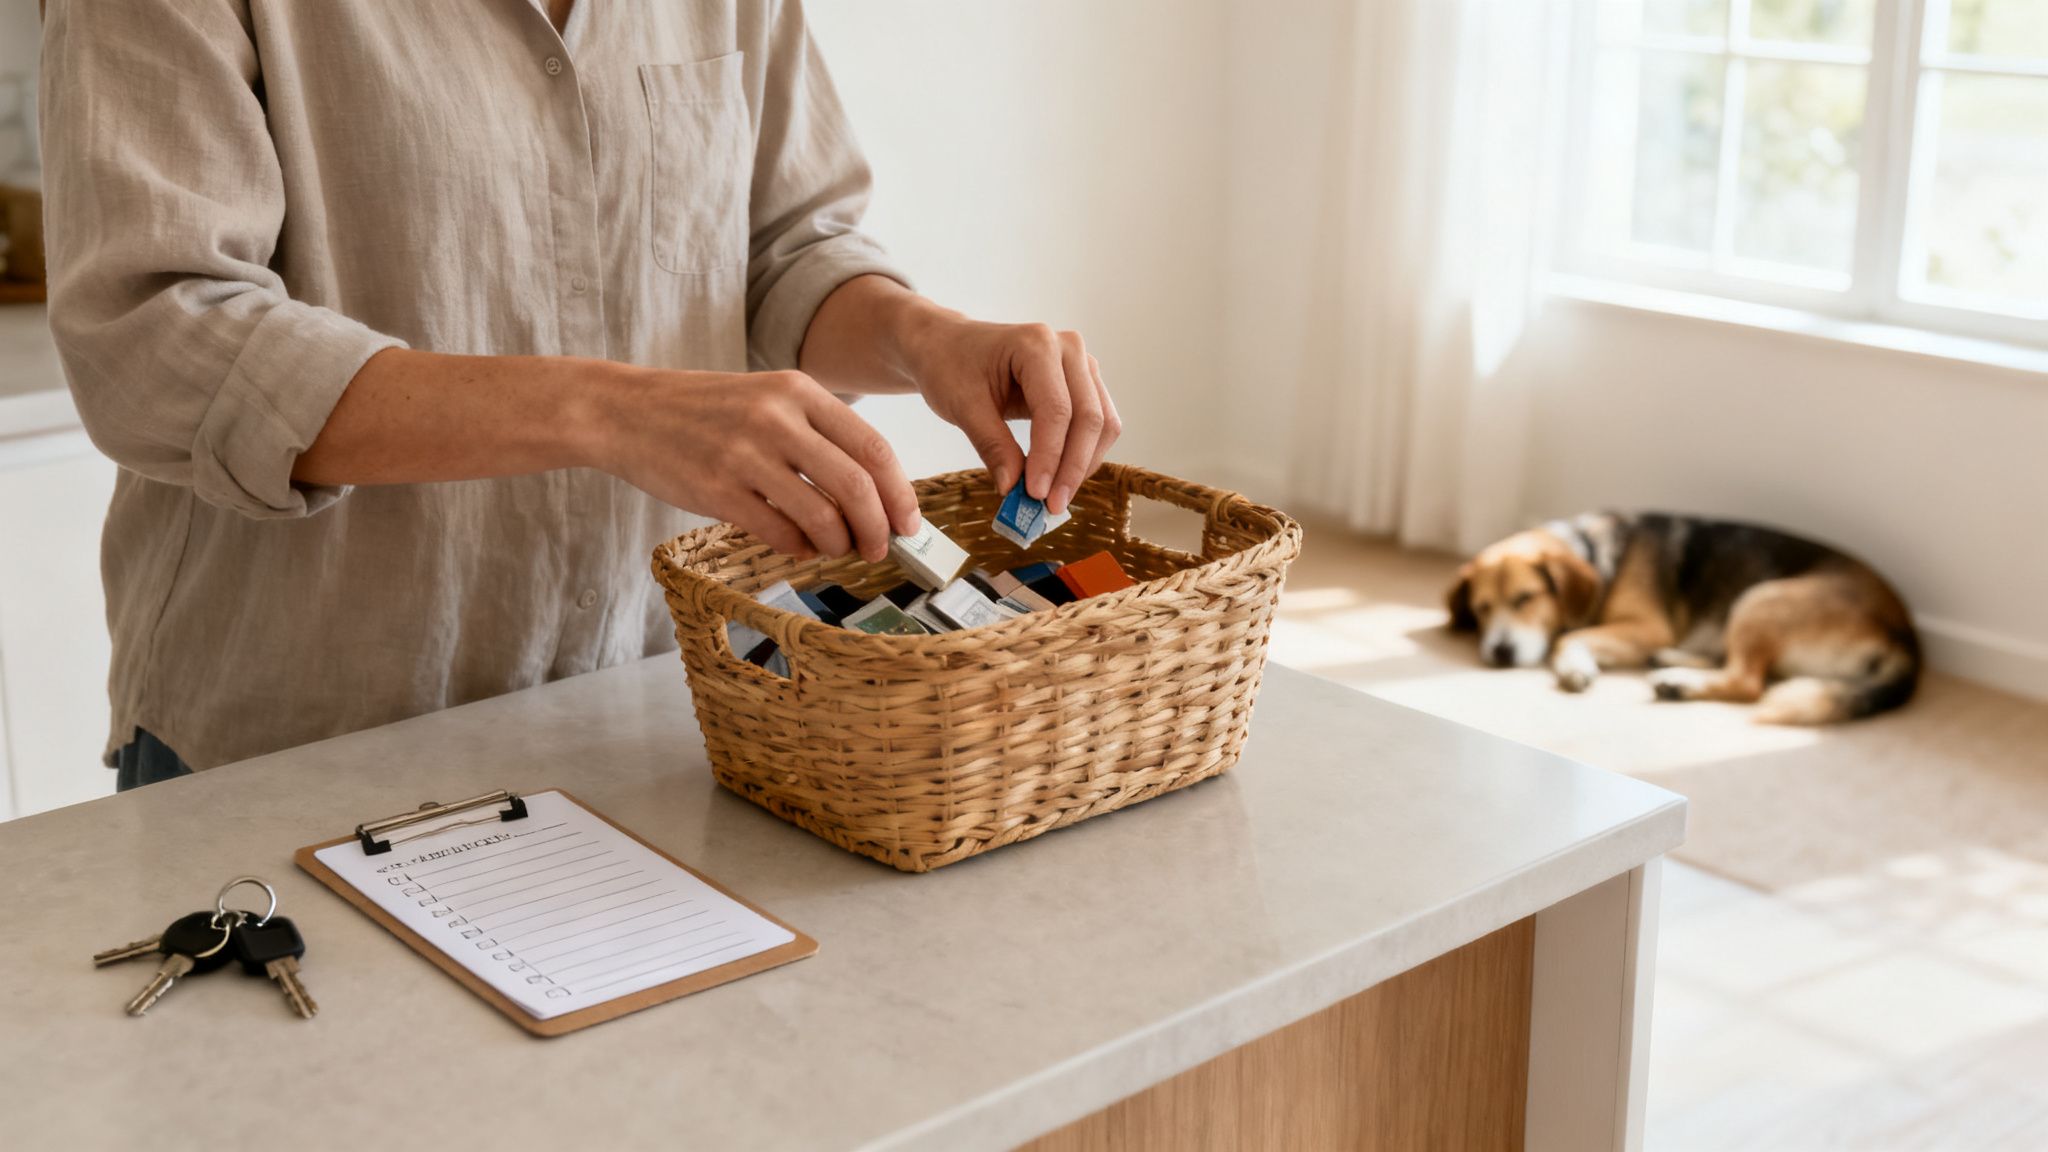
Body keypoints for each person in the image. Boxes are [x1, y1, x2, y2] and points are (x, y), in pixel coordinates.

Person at [38, 0, 1119, 789]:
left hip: (653, 713)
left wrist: (923, 335)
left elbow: (784, 249)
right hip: (299, 739)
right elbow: (156, 341)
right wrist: (606, 411)